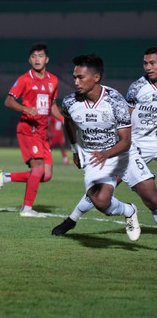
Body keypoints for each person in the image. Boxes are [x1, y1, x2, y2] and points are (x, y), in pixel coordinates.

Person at [52, 47, 157, 236]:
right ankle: (128, 210)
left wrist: (106, 154)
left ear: (96, 77)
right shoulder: (69, 102)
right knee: (101, 202)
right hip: (98, 155)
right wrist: (75, 150)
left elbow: (125, 141)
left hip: (123, 154)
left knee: (152, 199)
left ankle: (71, 220)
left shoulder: (114, 101)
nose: (75, 82)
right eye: (74, 77)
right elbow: (68, 121)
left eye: (80, 77)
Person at [0, 42, 62, 217]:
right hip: (28, 130)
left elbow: (52, 104)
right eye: (33, 56)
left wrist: (63, 119)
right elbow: (8, 101)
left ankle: (6, 177)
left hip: (42, 133)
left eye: (40, 56)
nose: (37, 59)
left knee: (45, 176)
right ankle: (27, 209)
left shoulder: (53, 80)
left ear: (47, 59)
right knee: (38, 169)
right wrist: (25, 108)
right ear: (29, 60)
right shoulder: (24, 79)